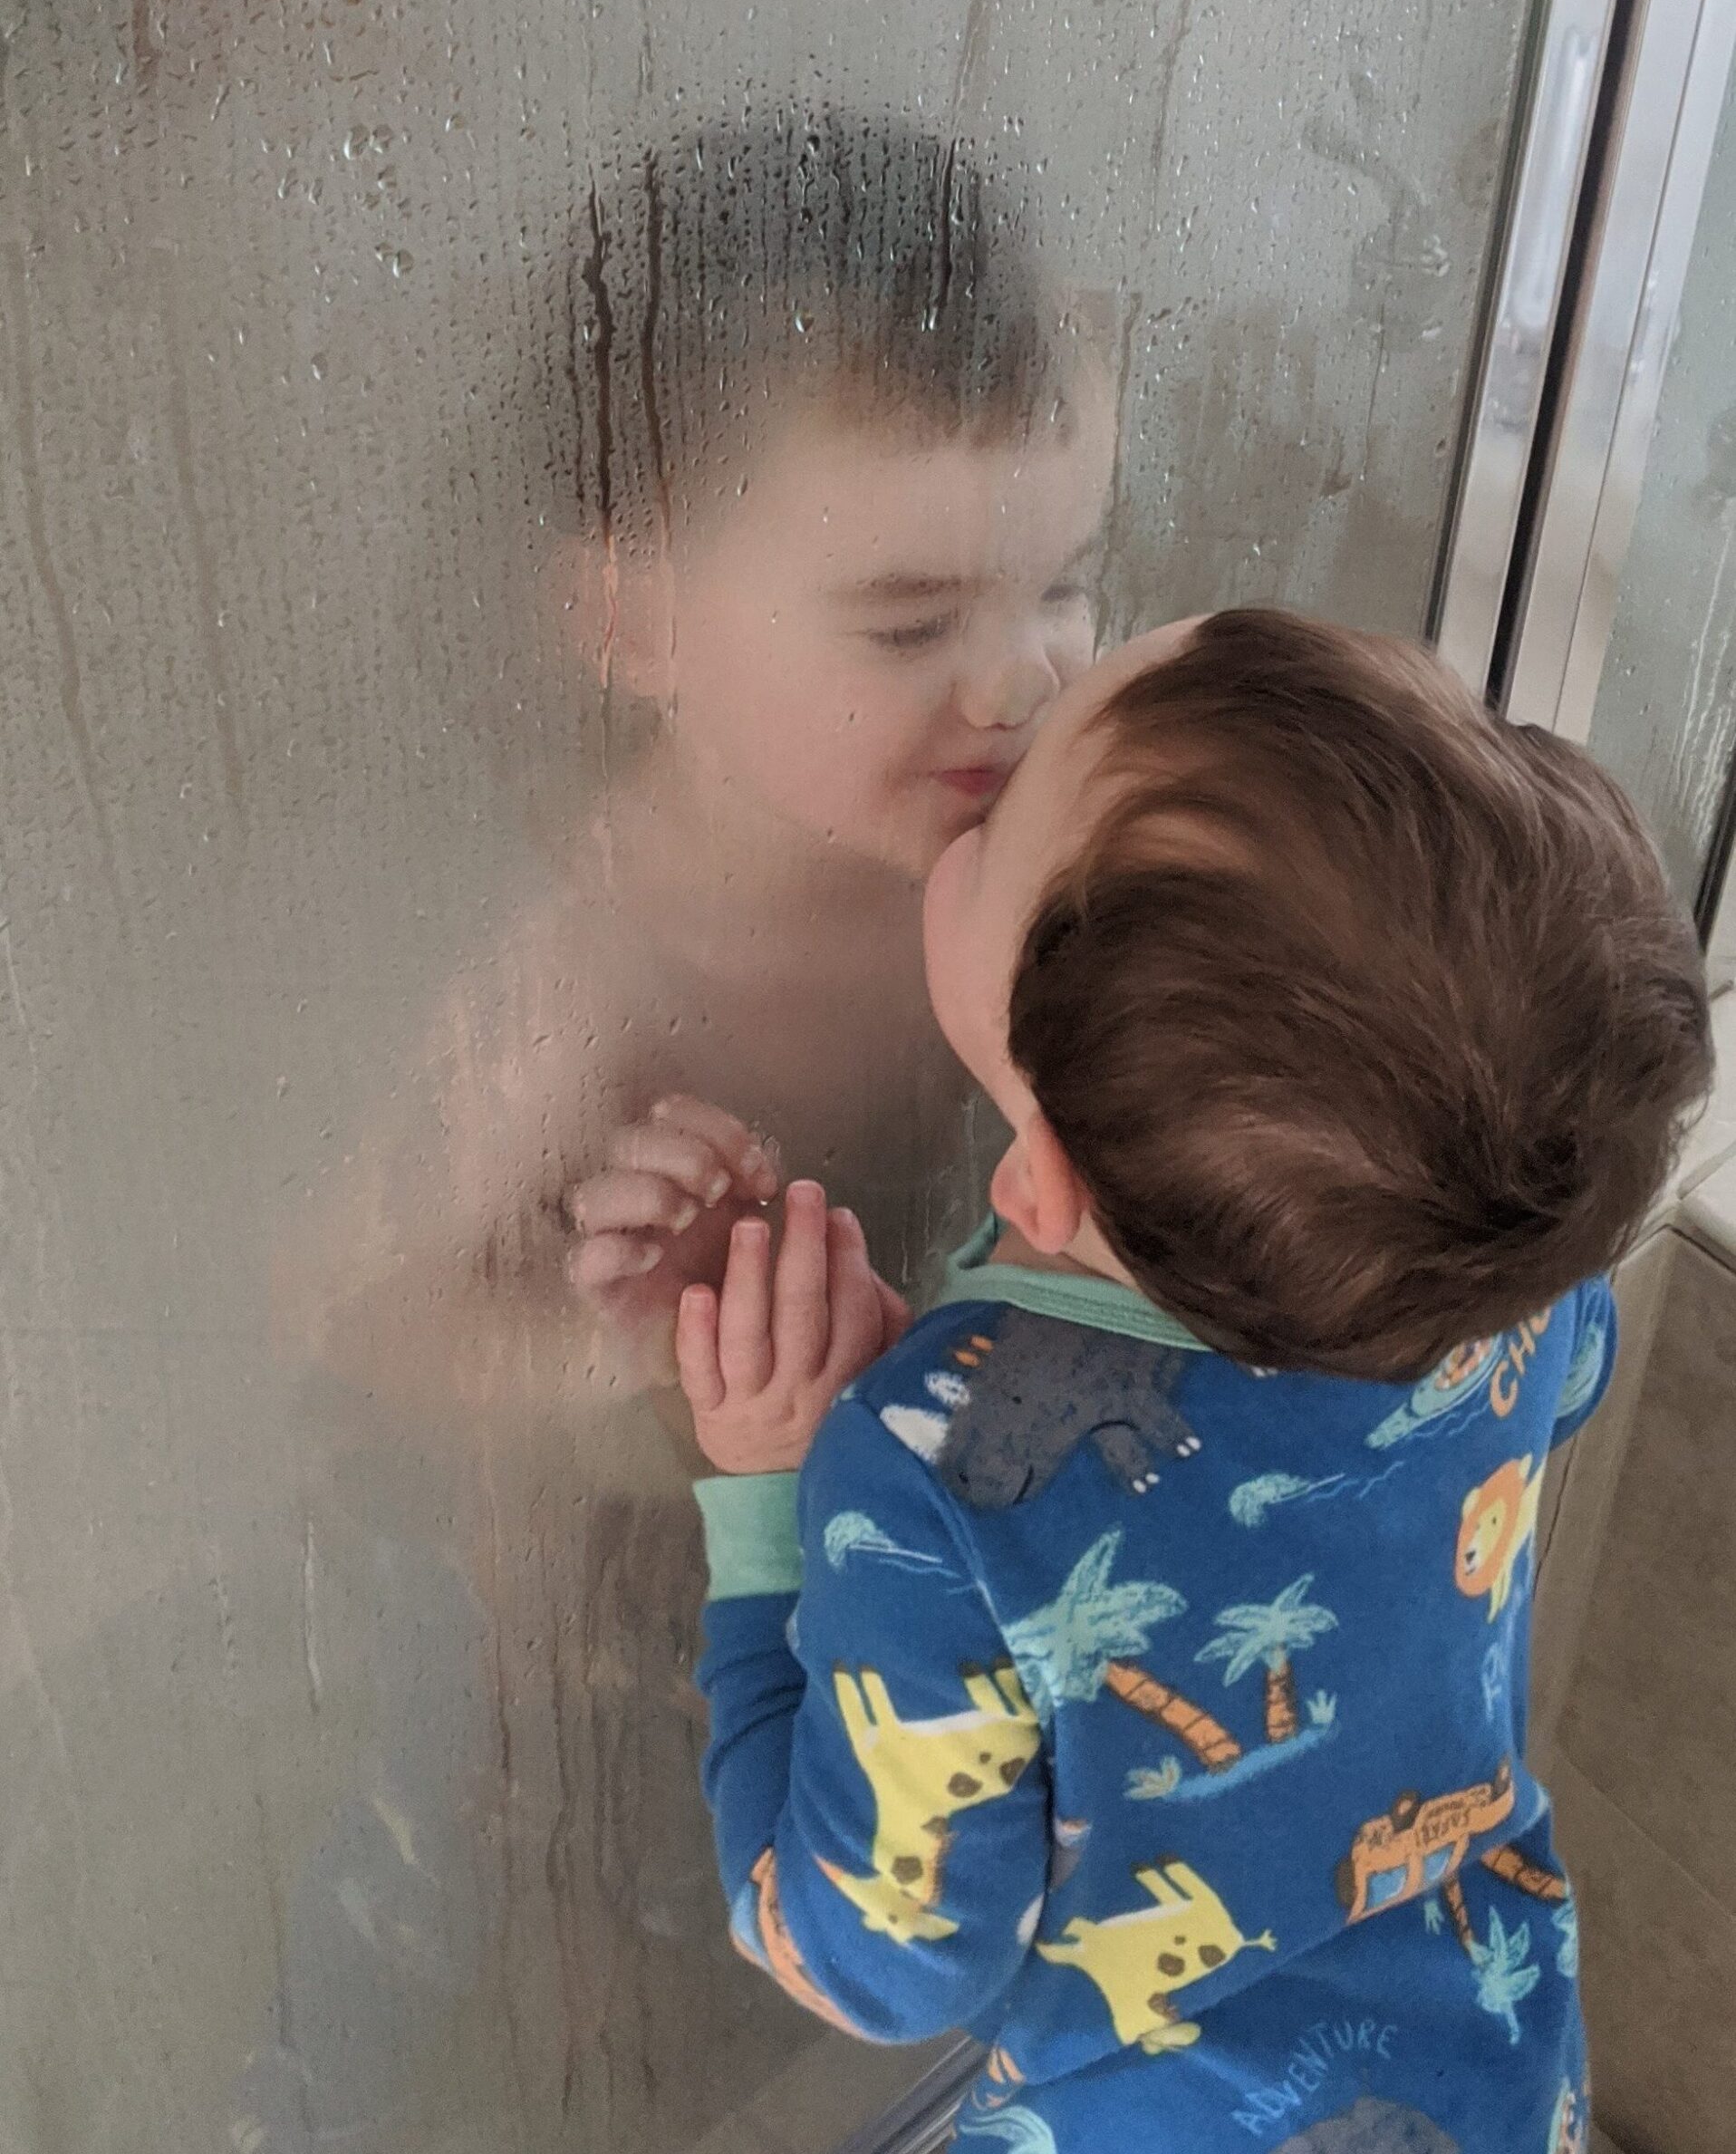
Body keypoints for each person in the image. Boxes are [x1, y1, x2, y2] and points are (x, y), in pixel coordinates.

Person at [674, 609, 1712, 2153]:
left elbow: (869, 1958)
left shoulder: (930, 1464)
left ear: (1042, 1184)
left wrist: (775, 1500)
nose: (1019, 701)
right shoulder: (1505, 1267)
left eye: (1018, 800)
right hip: (1484, 2057)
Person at [289, 107, 1114, 1407]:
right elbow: (344, 1317)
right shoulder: (582, 975)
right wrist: (628, 1350)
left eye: (1065, 583)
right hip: (677, 1501)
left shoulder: (1056, 840)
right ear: (633, 625)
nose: (1025, 680)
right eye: (910, 622)